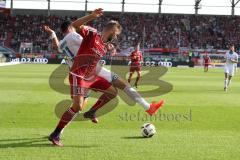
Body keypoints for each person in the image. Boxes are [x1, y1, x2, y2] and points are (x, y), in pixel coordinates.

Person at [45, 9, 164, 147]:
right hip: (78, 74)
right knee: (77, 106)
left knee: (112, 92)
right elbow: (76, 25)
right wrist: (91, 16)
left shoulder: (102, 46)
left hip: (92, 75)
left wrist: (108, 49)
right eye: (116, 35)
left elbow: (60, 47)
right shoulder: (91, 34)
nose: (116, 38)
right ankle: (55, 134)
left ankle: (94, 112)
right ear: (113, 32)